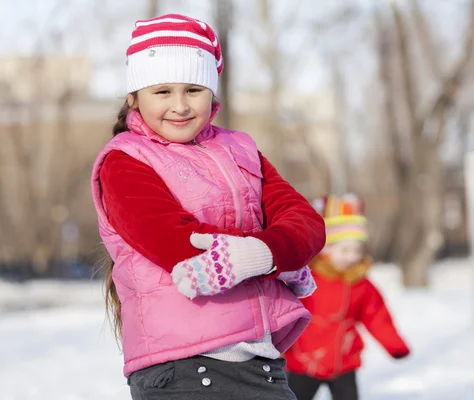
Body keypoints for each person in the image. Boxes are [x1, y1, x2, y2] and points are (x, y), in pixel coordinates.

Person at [90, 13, 325, 400]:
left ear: (212, 93)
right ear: (134, 96)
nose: (180, 106)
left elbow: (306, 223)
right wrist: (274, 254)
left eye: (194, 90)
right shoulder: (124, 162)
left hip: (261, 362)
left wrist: (267, 254)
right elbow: (176, 243)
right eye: (162, 91)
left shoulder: (241, 150)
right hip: (184, 369)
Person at [285, 194, 411, 400]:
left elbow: (376, 314)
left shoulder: (359, 283)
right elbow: (285, 311)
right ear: (325, 249)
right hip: (304, 360)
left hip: (343, 361)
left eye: (356, 250)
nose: (351, 256)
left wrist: (394, 344)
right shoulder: (306, 278)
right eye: (344, 250)